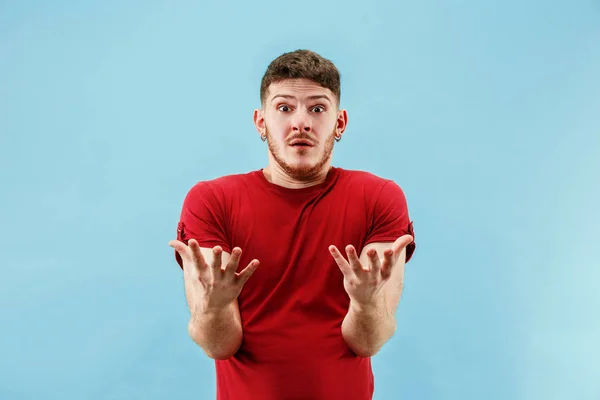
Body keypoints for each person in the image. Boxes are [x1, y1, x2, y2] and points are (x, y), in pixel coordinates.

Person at [169, 49, 416, 400]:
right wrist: (214, 304)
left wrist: (365, 302)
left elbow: (367, 341)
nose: (301, 122)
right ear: (261, 122)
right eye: (284, 108)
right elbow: (219, 346)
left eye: (317, 108)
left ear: (339, 123)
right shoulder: (211, 201)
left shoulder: (379, 197)